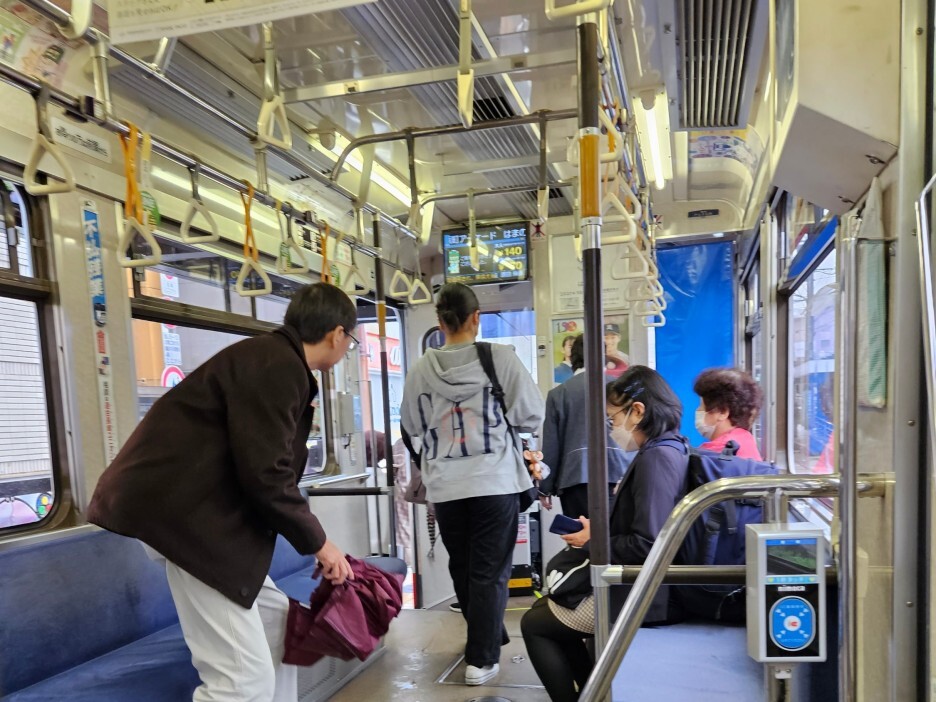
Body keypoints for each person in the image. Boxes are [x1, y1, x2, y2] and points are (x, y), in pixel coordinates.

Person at [87, 282, 358, 702]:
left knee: (280, 627)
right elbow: (266, 474)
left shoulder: (270, 359)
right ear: (337, 334)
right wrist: (321, 544)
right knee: (242, 681)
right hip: (185, 523)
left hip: (194, 516)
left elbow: (259, 468)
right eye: (350, 341)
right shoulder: (277, 366)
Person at [400, 283, 545, 686]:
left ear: (440, 322)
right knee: (489, 570)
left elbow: (411, 425)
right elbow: (531, 415)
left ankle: (488, 635)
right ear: (476, 318)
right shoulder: (501, 359)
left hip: (446, 485)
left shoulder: (420, 369)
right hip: (495, 482)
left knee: (462, 566)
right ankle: (482, 658)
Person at [521, 366, 688, 702]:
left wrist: (592, 541)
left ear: (637, 411)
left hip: (642, 595)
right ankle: (592, 692)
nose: (611, 427)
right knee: (547, 609)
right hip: (646, 583)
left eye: (613, 419)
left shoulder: (656, 459)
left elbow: (646, 544)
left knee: (534, 625)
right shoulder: (672, 448)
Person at [539, 334, 632, 518]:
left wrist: (545, 488)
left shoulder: (559, 394)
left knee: (580, 533)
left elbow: (551, 444)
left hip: (575, 478)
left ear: (573, 359)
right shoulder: (622, 390)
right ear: (604, 357)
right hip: (619, 473)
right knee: (616, 532)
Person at [693, 367, 764, 460]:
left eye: (701, 407)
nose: (697, 411)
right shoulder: (746, 440)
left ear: (722, 412)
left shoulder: (716, 453)